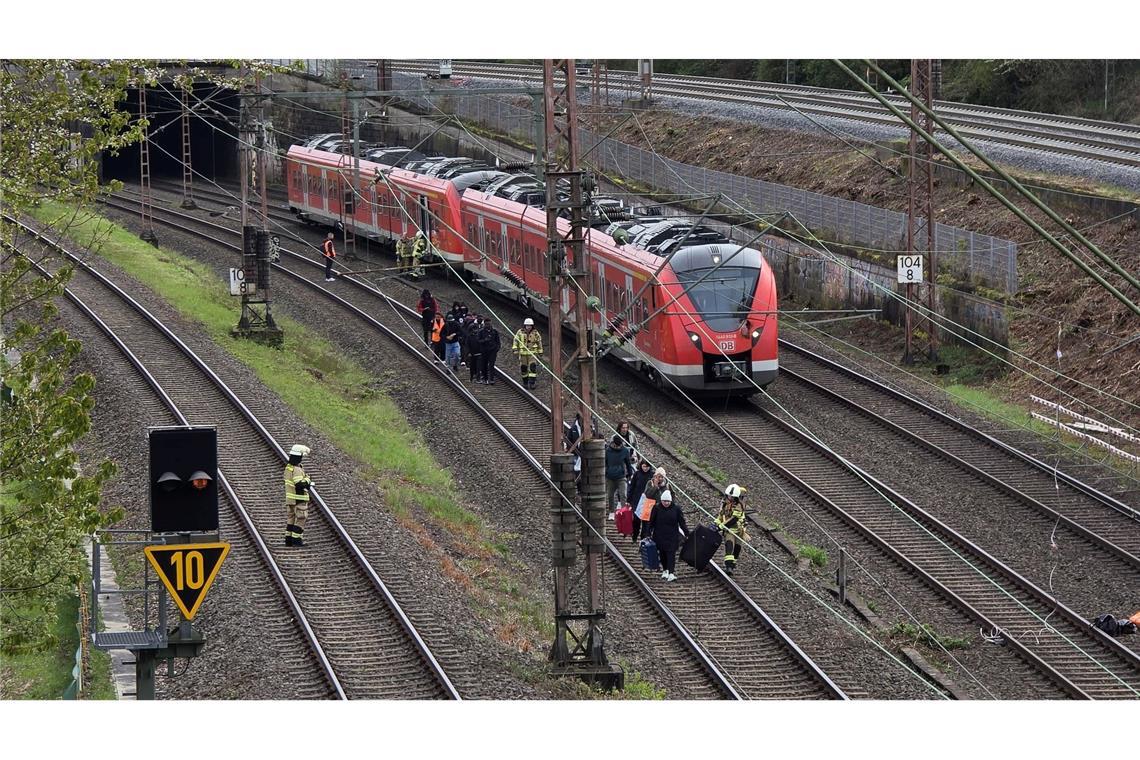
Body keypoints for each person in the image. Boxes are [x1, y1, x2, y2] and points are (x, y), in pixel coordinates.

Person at [649, 489, 687, 582]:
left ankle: (671, 572)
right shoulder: (656, 508)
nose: (666, 503)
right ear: (661, 501)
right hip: (659, 535)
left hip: (672, 536)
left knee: (671, 554)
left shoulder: (676, 509)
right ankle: (665, 570)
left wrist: (687, 533)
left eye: (668, 501)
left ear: (671, 501)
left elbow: (682, 522)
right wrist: (648, 532)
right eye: (664, 501)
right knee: (662, 553)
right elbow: (651, 522)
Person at [715, 484, 749, 576]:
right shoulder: (724, 503)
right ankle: (728, 567)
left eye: (732, 497)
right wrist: (716, 523)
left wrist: (720, 527)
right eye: (729, 496)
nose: (730, 498)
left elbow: (734, 519)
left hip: (739, 531)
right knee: (729, 546)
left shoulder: (739, 505)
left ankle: (733, 565)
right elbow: (721, 515)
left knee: (737, 548)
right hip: (729, 531)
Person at [284, 444, 313, 547]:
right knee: (301, 518)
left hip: (291, 499)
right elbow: (299, 483)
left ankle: (288, 540)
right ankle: (296, 540)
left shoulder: (289, 468)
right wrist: (308, 480)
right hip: (299, 498)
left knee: (291, 518)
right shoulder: (297, 469)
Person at [604, 433, 634, 519]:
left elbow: (628, 463)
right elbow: (605, 462)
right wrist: (607, 472)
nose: (618, 446)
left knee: (623, 495)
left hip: (621, 476)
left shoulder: (624, 451)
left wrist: (630, 474)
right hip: (610, 477)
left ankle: (623, 512)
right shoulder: (608, 450)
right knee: (610, 495)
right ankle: (611, 512)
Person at [512, 317, 543, 389]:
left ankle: (532, 383)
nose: (528, 327)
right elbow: (515, 340)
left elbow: (539, 342)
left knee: (532, 367)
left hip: (532, 354)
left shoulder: (535, 333)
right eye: (527, 325)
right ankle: (525, 382)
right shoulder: (520, 332)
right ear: (524, 325)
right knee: (524, 368)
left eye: (530, 325)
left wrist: (540, 351)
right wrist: (515, 349)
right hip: (523, 354)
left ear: (532, 326)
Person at [626, 459, 653, 543]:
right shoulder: (637, 474)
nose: (645, 468)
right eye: (644, 466)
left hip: (648, 501)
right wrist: (629, 499)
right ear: (641, 466)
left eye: (647, 467)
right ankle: (634, 536)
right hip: (637, 500)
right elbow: (632, 487)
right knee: (636, 520)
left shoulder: (652, 475)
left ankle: (642, 539)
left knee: (645, 522)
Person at [478, 317, 500, 384]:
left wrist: (497, 348)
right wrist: (485, 340)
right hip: (484, 351)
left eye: (489, 324)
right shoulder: (481, 332)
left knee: (491, 365)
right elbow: (478, 341)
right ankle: (485, 378)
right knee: (484, 365)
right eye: (486, 324)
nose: (488, 325)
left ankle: (491, 379)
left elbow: (498, 341)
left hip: (492, 351)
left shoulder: (495, 332)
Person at [467, 316, 486, 382]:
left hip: (479, 353)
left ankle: (478, 378)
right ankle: (471, 378)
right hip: (472, 353)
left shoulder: (479, 336)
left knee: (478, 367)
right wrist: (469, 352)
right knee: (472, 366)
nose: (475, 331)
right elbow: (468, 345)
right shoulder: (469, 337)